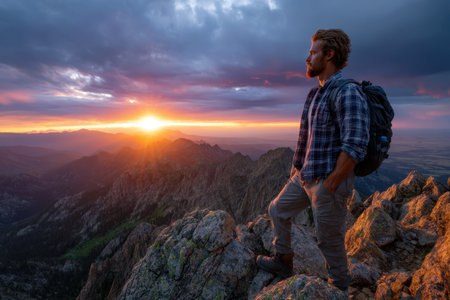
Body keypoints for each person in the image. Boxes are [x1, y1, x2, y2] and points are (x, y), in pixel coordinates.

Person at [256, 29, 370, 293]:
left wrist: (330, 185)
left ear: (329, 55)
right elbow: (306, 138)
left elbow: (355, 145)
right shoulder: (316, 94)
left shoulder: (348, 92)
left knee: (329, 242)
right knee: (277, 209)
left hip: (328, 182)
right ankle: (283, 260)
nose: (307, 58)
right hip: (305, 176)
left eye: (313, 52)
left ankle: (339, 287)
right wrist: (296, 170)